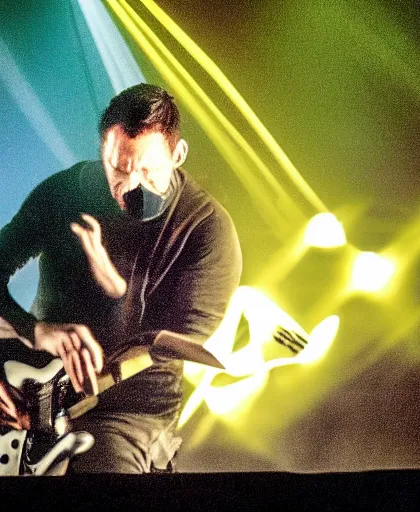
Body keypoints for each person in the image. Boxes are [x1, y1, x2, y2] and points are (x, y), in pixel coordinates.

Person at [0, 83, 243, 473]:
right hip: (28, 381)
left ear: (178, 155)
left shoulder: (206, 231)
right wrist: (34, 332)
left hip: (125, 410)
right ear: (103, 151)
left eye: (147, 170)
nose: (129, 186)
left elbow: (158, 346)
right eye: (118, 167)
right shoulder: (65, 192)